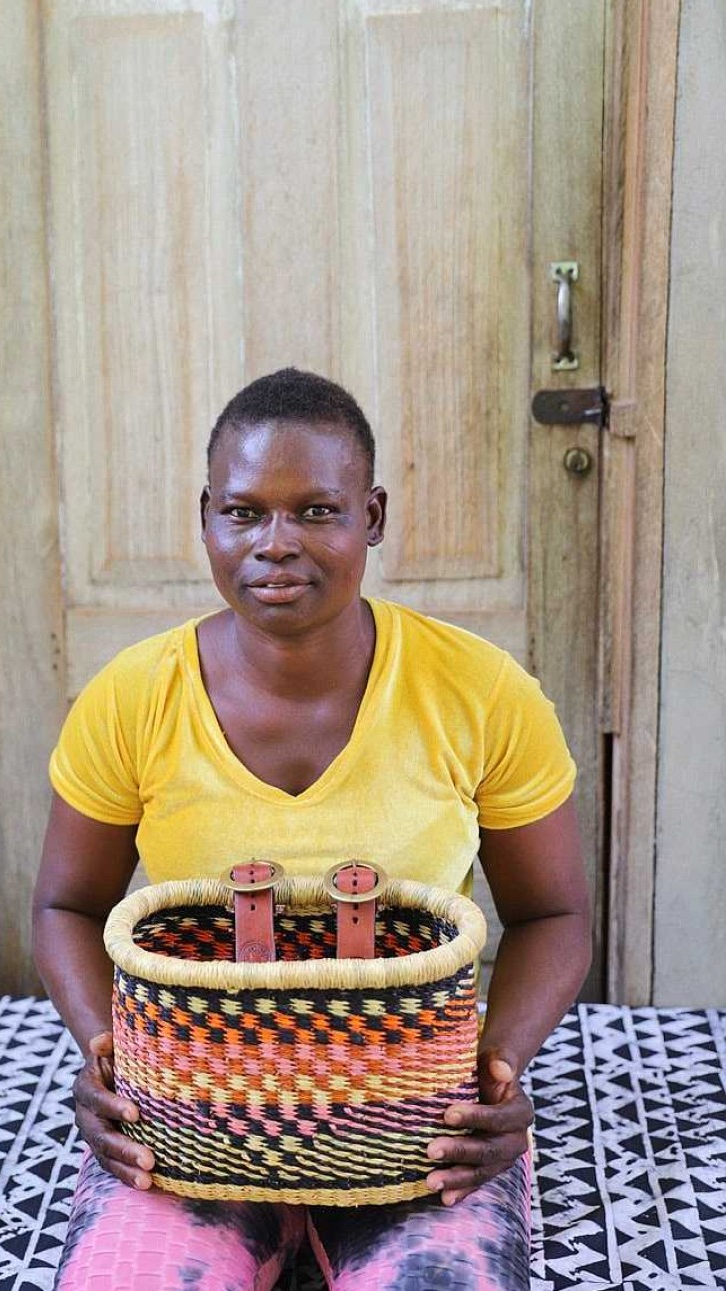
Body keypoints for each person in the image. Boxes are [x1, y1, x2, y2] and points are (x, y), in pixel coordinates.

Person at [33, 367, 592, 1290]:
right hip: (191, 1110)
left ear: (370, 516)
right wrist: (114, 1060)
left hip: (409, 1116)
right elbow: (65, 902)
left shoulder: (481, 692)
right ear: (205, 516)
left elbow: (555, 914)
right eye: (244, 512)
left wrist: (490, 1076)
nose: (276, 545)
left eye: (317, 512)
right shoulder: (131, 696)